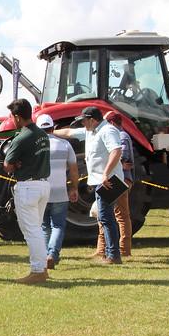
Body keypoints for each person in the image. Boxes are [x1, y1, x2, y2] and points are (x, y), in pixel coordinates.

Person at [53, 106, 124, 264]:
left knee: (106, 217)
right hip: (102, 180)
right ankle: (110, 253)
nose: (82, 124)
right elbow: (69, 133)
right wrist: (49, 132)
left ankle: (113, 255)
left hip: (110, 181)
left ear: (92, 120)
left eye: (84, 121)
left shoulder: (108, 131)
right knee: (104, 217)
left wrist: (106, 173)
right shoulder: (90, 131)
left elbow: (116, 151)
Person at [3, 99, 51, 283]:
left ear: (17, 116)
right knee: (36, 230)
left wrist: (15, 164)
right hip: (43, 185)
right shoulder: (43, 135)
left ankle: (38, 270)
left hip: (28, 186)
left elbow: (7, 165)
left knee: (32, 231)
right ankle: (42, 269)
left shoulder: (21, 137)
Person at [36, 114, 79, 270]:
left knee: (44, 226)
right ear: (53, 128)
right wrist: (74, 188)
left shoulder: (35, 146)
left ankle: (46, 254)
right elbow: (74, 170)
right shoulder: (65, 145)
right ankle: (52, 254)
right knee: (58, 226)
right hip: (60, 192)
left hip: (40, 191)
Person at [93, 111, 134, 257]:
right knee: (107, 215)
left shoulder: (120, 136)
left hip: (118, 180)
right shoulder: (120, 134)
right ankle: (103, 249)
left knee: (117, 215)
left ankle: (122, 249)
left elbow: (122, 158)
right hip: (118, 179)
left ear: (110, 122)